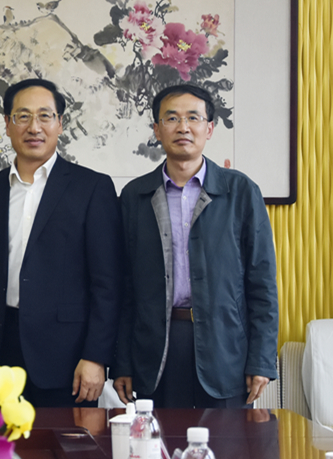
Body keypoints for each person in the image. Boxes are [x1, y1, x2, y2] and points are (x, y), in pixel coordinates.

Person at [113, 84, 279, 408]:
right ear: (157, 129)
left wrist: (261, 359)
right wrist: (122, 362)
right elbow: (124, 288)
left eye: (193, 117)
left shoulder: (240, 192)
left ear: (209, 129)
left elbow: (262, 284)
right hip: (155, 349)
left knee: (227, 438)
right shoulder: (135, 196)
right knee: (160, 438)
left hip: (225, 348)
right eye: (172, 118)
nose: (183, 127)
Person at [0, 78, 124, 407]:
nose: (34, 127)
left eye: (44, 116)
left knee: (66, 439)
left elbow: (107, 283)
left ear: (60, 123)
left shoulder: (91, 188)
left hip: (67, 357)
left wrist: (96, 356)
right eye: (23, 116)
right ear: (8, 124)